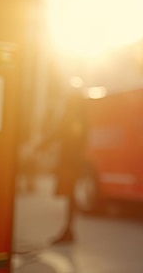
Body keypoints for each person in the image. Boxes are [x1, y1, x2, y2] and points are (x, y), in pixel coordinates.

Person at [36, 88, 88, 244]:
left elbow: (60, 133)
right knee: (70, 196)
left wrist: (43, 144)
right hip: (74, 161)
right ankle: (68, 229)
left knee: (70, 195)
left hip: (69, 162)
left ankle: (68, 230)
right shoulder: (81, 117)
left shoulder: (73, 117)